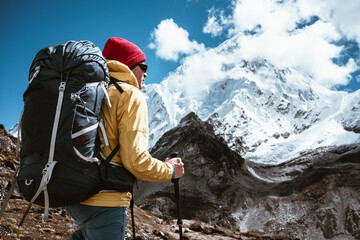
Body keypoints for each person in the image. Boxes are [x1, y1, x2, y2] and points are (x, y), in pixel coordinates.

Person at [66, 37, 185, 240]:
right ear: (128, 65)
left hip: (75, 198)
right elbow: (135, 161)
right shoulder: (129, 95)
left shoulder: (90, 92)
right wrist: (171, 170)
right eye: (143, 66)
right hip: (106, 202)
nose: (146, 73)